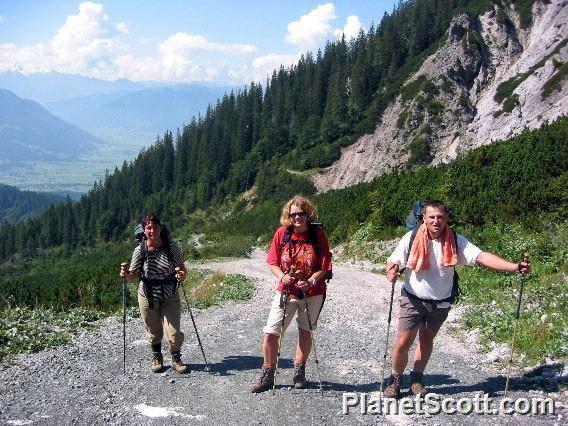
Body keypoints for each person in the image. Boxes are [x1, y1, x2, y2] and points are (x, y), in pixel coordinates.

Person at [383, 200, 531, 398]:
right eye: (432, 217)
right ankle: (395, 381)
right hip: (413, 298)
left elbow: (481, 257)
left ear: (446, 219)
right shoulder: (411, 238)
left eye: (440, 217)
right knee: (403, 342)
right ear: (424, 218)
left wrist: (514, 267)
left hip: (441, 302)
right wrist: (391, 272)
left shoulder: (455, 239)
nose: (436, 221)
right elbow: (394, 261)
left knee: (426, 340)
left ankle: (417, 378)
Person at [251, 195, 332, 393]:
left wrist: (312, 280)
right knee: (271, 331)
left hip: (313, 292)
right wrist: (282, 277)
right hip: (286, 291)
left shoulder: (318, 234)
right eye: (293, 214)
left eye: (301, 213)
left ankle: (299, 371)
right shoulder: (282, 234)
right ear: (288, 215)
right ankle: (268, 373)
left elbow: (324, 265)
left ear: (308, 214)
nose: (297, 217)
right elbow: (273, 262)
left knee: (305, 330)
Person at [119, 214, 189, 374]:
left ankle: (176, 358)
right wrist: (126, 275)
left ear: (160, 228)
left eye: (155, 227)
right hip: (147, 294)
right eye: (149, 228)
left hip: (169, 292)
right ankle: (157, 357)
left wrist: (181, 275)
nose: (152, 230)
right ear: (144, 230)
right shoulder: (140, 250)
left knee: (173, 331)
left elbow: (181, 267)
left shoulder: (172, 247)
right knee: (153, 328)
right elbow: (133, 275)